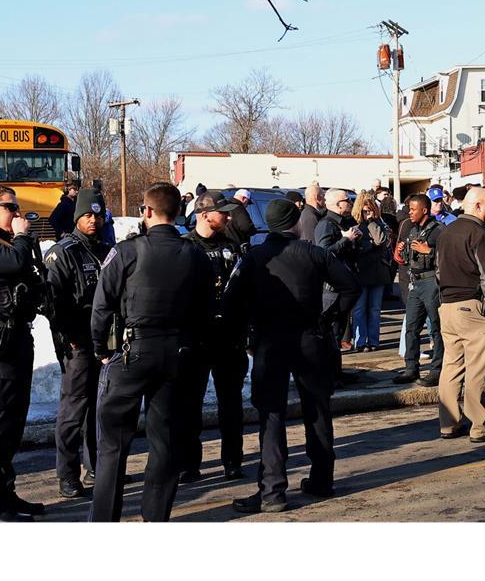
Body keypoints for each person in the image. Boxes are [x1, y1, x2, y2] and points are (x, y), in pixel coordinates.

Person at [89, 182, 217, 522]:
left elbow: (102, 306)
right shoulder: (196, 255)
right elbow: (206, 310)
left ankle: (104, 521)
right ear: (177, 213)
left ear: (146, 212)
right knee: (166, 443)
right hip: (177, 354)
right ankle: (155, 517)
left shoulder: (127, 252)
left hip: (132, 352)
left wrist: (101, 348)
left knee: (113, 446)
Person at [228, 199, 359, 513]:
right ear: (295, 222)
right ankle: (321, 479)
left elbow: (232, 302)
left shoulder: (255, 257)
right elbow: (349, 287)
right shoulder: (314, 253)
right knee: (317, 409)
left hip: (269, 341)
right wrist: (328, 317)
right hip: (309, 338)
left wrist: (247, 333)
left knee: (271, 415)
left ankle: (272, 491)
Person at [0, 185, 45, 522]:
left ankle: (6, 493)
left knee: (14, 421)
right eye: (10, 208)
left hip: (16, 338)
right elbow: (15, 261)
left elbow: (32, 277)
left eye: (17, 209)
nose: (17, 215)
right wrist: (22, 238)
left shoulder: (7, 244)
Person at [44, 186, 113, 498]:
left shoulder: (106, 250)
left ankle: (98, 467)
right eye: (86, 215)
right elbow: (53, 302)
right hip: (78, 344)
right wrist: (68, 338)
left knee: (100, 409)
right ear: (76, 217)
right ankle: (68, 475)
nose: (93, 220)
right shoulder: (63, 253)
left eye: (97, 214)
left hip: (104, 342)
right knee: (73, 411)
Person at [178, 191, 248, 483]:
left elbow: (244, 291)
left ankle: (232, 461)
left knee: (231, 404)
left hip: (228, 339)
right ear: (204, 214)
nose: (229, 217)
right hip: (195, 340)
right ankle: (188, 464)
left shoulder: (232, 247)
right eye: (224, 213)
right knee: (189, 406)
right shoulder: (183, 248)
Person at [434, 188, 485, 442]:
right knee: (480, 368)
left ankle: (449, 422)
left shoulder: (446, 232)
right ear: (477, 206)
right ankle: (481, 424)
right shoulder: (479, 233)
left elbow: (437, 271)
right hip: (473, 306)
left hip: (448, 306)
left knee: (452, 366)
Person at [393, 193, 444, 386]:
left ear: (424, 209)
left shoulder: (438, 230)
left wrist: (429, 251)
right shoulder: (411, 229)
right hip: (415, 281)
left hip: (431, 281)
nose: (410, 212)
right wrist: (400, 254)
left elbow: (447, 254)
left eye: (413, 209)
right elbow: (406, 258)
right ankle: (411, 368)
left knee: (436, 327)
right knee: (412, 327)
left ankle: (437, 369)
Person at [314, 188, 361, 355]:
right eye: (347, 200)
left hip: (345, 282)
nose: (350, 203)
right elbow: (324, 253)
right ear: (337, 205)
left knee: (339, 328)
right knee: (331, 329)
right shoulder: (326, 224)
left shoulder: (345, 221)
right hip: (333, 288)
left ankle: (337, 371)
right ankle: (330, 374)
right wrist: (346, 239)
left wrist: (355, 240)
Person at [351, 191, 391, 352]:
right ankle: (360, 342)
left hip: (378, 272)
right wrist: (370, 245)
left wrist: (372, 222)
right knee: (359, 309)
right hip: (360, 272)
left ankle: (374, 341)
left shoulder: (379, 224)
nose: (368, 213)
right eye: (365, 211)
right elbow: (357, 248)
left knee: (375, 309)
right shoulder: (353, 224)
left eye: (371, 210)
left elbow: (381, 240)